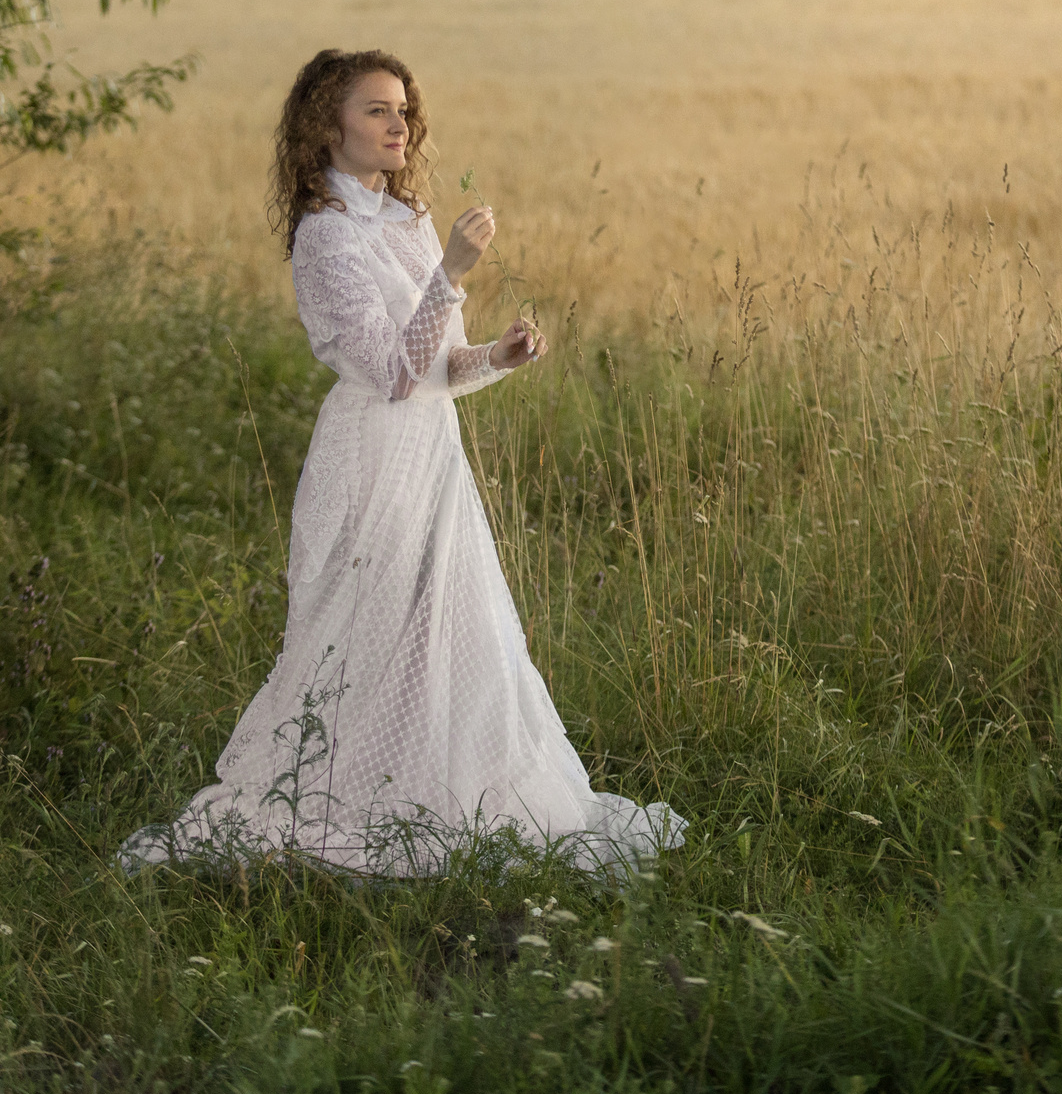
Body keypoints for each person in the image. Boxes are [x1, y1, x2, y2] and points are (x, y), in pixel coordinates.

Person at [119, 49, 684, 877]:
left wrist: (501, 353)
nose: (399, 125)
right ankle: (346, 804)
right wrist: (452, 271)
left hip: (431, 458)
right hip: (369, 459)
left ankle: (444, 798)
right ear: (329, 125)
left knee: (450, 631)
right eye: (378, 109)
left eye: (404, 110)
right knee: (365, 630)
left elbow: (438, 370)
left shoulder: (408, 220)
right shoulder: (325, 236)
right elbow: (386, 372)